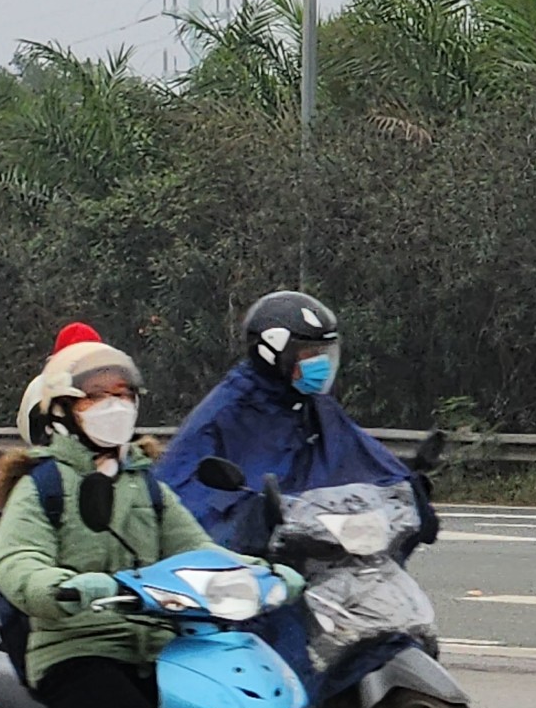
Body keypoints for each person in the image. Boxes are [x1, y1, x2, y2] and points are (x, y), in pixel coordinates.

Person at [0, 340, 295, 708]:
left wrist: (262, 573)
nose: (115, 406)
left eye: (124, 395)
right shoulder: (42, 488)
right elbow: (16, 561)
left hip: (153, 646)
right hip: (74, 651)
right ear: (63, 411)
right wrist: (62, 588)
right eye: (97, 397)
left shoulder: (147, 486)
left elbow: (200, 551)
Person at [157, 291, 430, 685]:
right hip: (263, 575)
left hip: (323, 557)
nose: (319, 364)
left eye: (325, 352)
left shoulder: (314, 406)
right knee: (287, 650)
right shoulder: (226, 413)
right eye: (307, 353)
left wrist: (410, 487)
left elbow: (366, 457)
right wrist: (246, 517)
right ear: (272, 355)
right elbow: (183, 493)